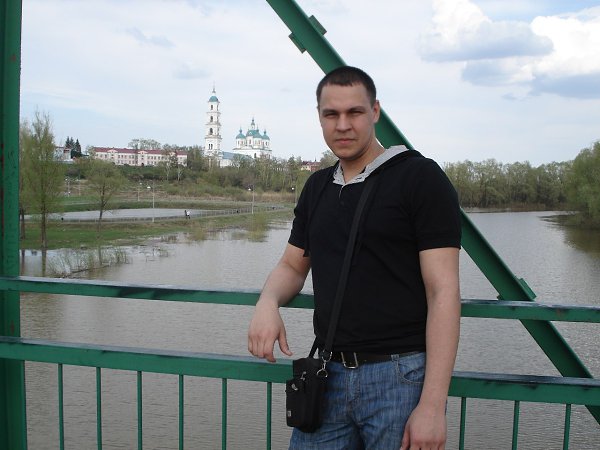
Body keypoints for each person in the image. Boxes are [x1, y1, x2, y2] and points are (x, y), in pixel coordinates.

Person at [248, 66, 461, 450]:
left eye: (355, 112)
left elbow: (442, 291)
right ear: (319, 118)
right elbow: (293, 265)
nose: (343, 125)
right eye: (331, 114)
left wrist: (432, 405)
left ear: (375, 112)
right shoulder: (317, 187)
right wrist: (267, 302)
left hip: (399, 377)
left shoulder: (420, 178)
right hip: (327, 375)